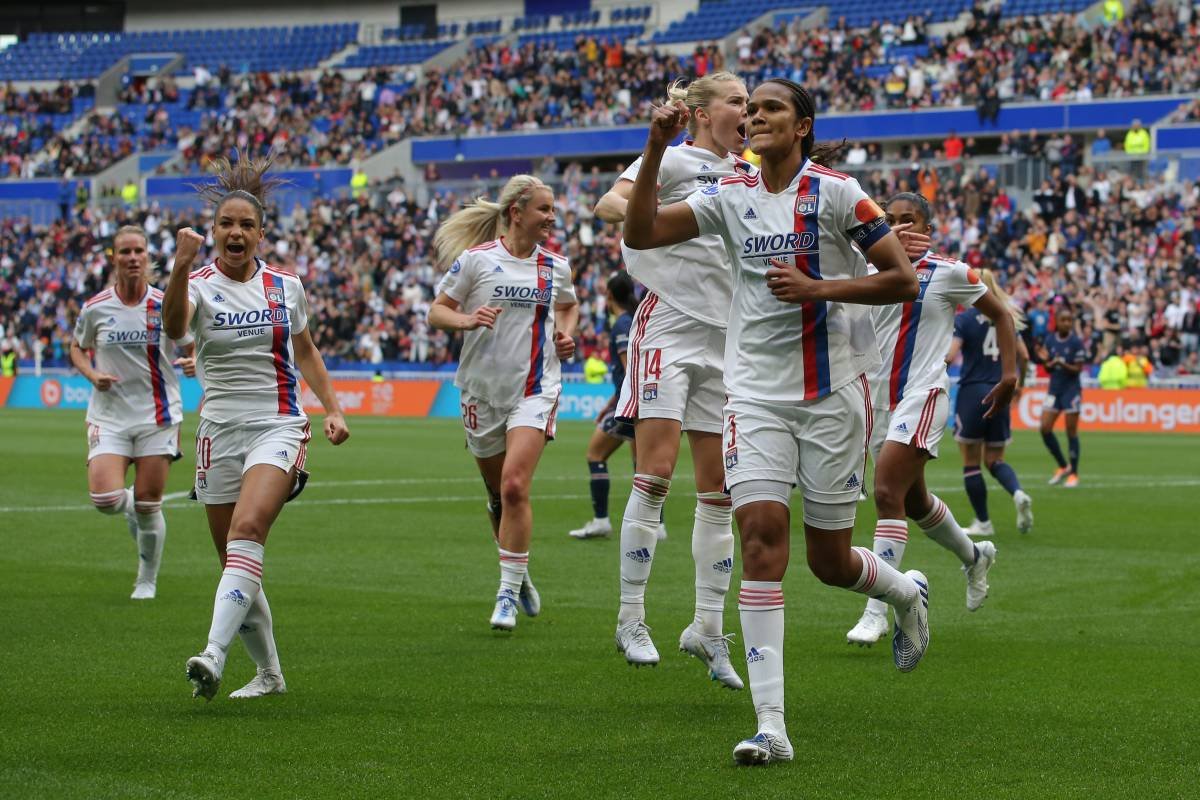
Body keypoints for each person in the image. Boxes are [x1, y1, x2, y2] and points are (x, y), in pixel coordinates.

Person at [624, 77, 930, 765]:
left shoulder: (840, 194)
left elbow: (903, 279)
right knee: (761, 537)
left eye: (772, 109)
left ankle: (906, 593)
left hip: (831, 398)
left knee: (827, 561)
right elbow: (641, 232)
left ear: (802, 127)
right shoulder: (727, 195)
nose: (756, 116)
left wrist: (821, 288)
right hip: (753, 395)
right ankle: (772, 727)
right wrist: (653, 147)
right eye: (751, 107)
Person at [162, 154, 351, 701]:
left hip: (278, 425)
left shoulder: (285, 287)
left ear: (261, 234)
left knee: (247, 531)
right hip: (217, 433)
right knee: (234, 563)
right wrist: (177, 266)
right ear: (214, 232)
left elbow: (307, 351)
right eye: (227, 224)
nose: (236, 232)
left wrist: (333, 408)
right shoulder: (196, 284)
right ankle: (269, 673)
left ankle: (213, 655)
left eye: (246, 225)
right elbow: (175, 328)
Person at [595, 73, 753, 688]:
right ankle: (630, 616)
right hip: (668, 324)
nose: (746, 111)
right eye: (736, 102)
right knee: (655, 472)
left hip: (726, 336)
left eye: (748, 102)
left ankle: (707, 629)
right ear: (702, 112)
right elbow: (613, 205)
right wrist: (669, 209)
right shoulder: (676, 158)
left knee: (720, 490)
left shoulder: (746, 170)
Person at [845, 194, 1018, 647]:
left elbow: (1000, 313)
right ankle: (975, 555)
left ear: (929, 228)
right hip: (874, 402)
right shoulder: (865, 270)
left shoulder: (949, 272)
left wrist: (1011, 376)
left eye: (910, 220)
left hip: (923, 395)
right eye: (891, 221)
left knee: (886, 492)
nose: (900, 228)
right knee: (914, 500)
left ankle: (876, 608)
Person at [427, 174, 579, 632]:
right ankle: (519, 570)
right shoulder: (475, 262)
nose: (552, 218)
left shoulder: (555, 267)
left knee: (514, 487)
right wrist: (467, 319)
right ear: (517, 212)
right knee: (498, 496)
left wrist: (565, 333)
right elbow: (436, 311)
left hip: (535, 388)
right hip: (481, 392)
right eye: (544, 210)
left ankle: (506, 595)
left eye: (553, 210)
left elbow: (568, 306)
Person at [69, 225, 197, 600]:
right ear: (114, 258)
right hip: (109, 415)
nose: (132, 258)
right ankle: (132, 509)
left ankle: (146, 579)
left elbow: (193, 345)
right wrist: (92, 374)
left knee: (147, 504)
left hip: (158, 415)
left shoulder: (165, 303)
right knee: (107, 500)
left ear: (147, 256)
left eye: (138, 251)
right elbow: (77, 347)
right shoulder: (95, 308)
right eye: (124, 251)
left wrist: (192, 361)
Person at [948, 268, 1034, 538]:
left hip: (973, 393)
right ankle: (1017, 492)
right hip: (1001, 392)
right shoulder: (1004, 317)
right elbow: (1025, 356)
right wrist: (1020, 385)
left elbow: (950, 356)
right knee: (995, 459)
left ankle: (983, 522)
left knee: (971, 461)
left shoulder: (966, 319)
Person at [568, 271, 637, 540]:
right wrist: (609, 404)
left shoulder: (621, 324)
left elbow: (630, 368)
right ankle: (657, 525)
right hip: (632, 401)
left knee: (595, 455)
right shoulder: (632, 321)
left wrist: (622, 405)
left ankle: (601, 520)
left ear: (608, 294)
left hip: (629, 404)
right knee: (643, 465)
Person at [1036, 306, 1087, 487]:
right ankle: (1063, 465)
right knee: (1044, 428)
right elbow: (1049, 368)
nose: (1067, 323)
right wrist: (1045, 361)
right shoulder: (1050, 340)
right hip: (1054, 389)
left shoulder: (1076, 342)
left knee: (1071, 431)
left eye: (1069, 320)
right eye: (1063, 320)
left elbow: (1078, 369)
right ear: (1057, 322)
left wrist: (1061, 363)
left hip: (1071, 390)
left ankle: (1074, 473)